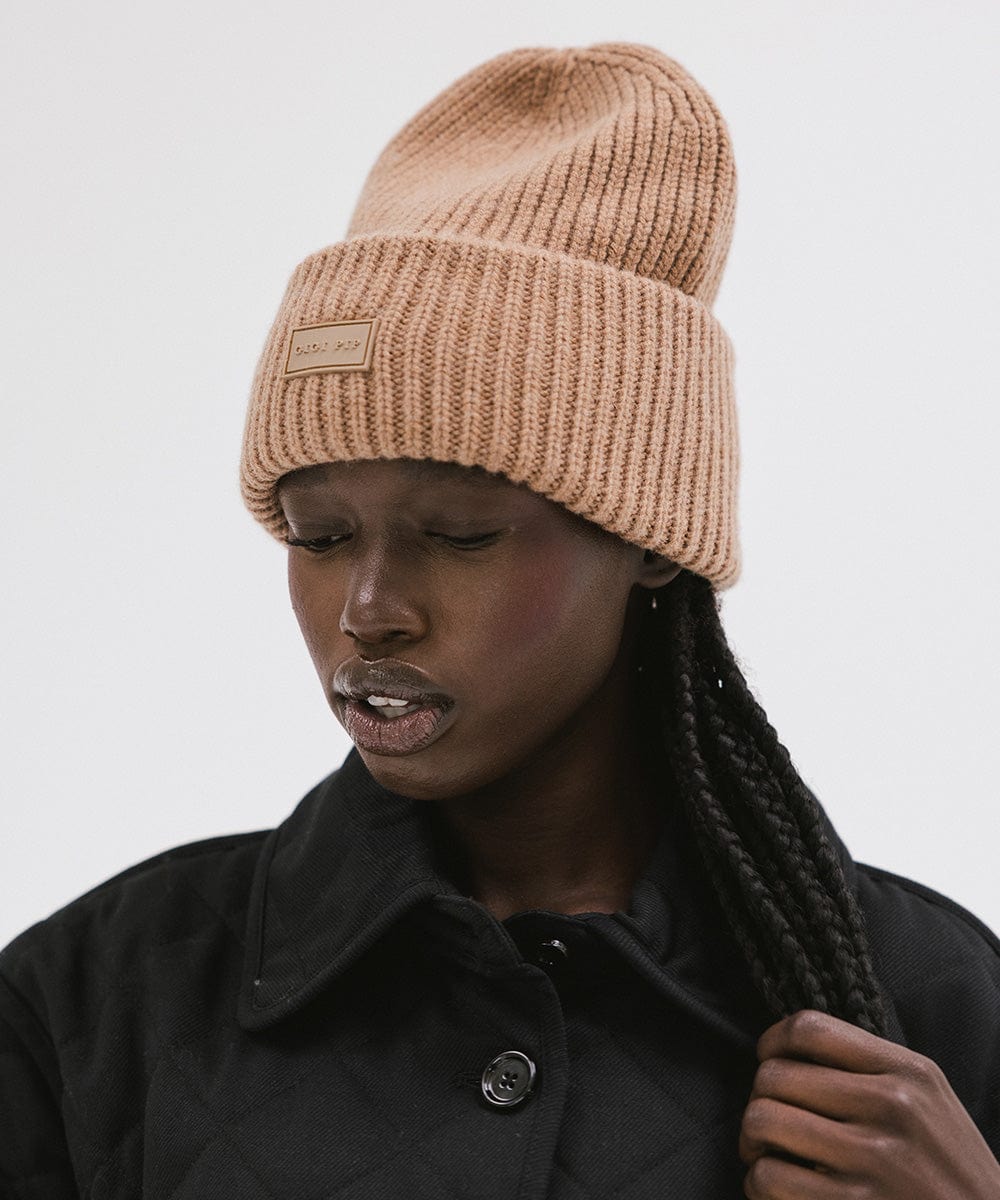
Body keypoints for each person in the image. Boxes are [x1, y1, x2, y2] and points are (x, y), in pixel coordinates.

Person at [1, 41, 998, 1200]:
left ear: (649, 540)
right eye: (318, 537)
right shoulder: (97, 1003)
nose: (366, 610)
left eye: (459, 533)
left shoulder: (917, 1004)